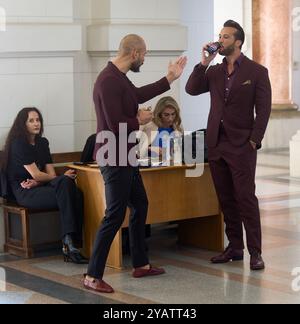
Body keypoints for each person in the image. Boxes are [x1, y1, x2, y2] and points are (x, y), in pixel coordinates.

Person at [83, 34, 187, 294]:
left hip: (125, 155)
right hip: (113, 155)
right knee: (115, 215)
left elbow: (138, 94)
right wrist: (138, 120)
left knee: (140, 203)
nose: (145, 58)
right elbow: (114, 120)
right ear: (134, 53)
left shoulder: (119, 78)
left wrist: (169, 79)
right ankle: (92, 275)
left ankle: (140, 263)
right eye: (145, 54)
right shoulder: (107, 81)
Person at [186, 20, 272, 271]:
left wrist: (254, 140)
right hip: (216, 142)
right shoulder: (213, 71)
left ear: (238, 42)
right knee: (225, 199)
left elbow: (264, 110)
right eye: (219, 36)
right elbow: (191, 89)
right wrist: (204, 62)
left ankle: (255, 252)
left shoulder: (257, 72)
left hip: (242, 144)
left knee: (245, 198)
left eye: (225, 37)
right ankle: (235, 247)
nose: (220, 40)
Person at [0, 107, 88, 264]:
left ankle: (70, 244)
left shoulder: (42, 142)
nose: (36, 124)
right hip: (24, 190)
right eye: (31, 120)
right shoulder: (18, 144)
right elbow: (37, 174)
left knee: (73, 191)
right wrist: (47, 179)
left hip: (40, 186)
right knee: (70, 189)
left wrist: (40, 181)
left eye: (38, 120)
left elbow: (48, 175)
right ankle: (73, 244)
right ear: (23, 124)